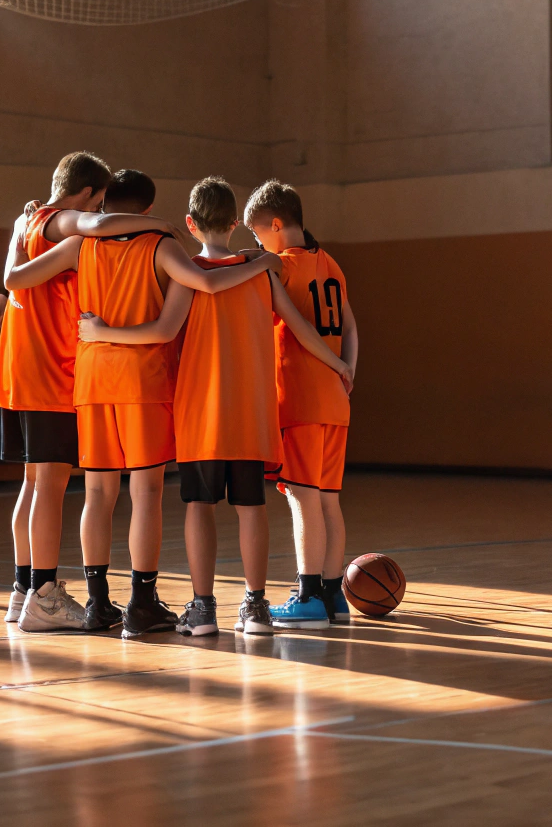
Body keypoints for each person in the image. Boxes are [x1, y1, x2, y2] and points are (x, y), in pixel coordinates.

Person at [4, 173, 284, 636]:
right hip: (143, 380)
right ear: (149, 208)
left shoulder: (80, 245)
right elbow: (205, 283)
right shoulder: (161, 245)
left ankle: (97, 603)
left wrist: (18, 235)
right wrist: (260, 261)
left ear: (104, 207)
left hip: (92, 379)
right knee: (146, 494)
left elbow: (16, 281)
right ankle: (140, 602)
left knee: (97, 494)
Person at [76, 177, 352, 638]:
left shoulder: (187, 275)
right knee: (252, 507)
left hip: (200, 412)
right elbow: (302, 328)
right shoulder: (261, 272)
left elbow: (163, 331)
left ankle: (203, 608)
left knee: (199, 507)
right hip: (252, 411)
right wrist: (338, 363)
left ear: (190, 223)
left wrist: (101, 333)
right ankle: (256, 607)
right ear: (236, 222)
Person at [0, 152, 177, 633]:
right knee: (57, 486)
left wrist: (15, 235)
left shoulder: (31, 227)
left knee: (37, 483)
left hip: (30, 370)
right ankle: (45, 594)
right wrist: (160, 224)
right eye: (96, 204)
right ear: (90, 195)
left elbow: (11, 283)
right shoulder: (71, 228)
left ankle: (25, 589)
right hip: (58, 372)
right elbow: (95, 224)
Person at [243, 180, 358, 628]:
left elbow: (301, 330)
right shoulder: (330, 263)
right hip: (335, 398)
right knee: (328, 500)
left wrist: (335, 363)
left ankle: (308, 596)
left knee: (301, 497)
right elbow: (350, 325)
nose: (257, 244)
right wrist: (348, 369)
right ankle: (333, 596)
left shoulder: (283, 267)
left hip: (302, 397)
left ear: (275, 225)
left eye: (257, 234)